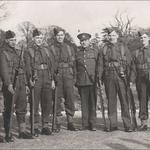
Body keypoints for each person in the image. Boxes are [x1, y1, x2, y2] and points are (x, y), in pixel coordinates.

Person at [0, 30, 32, 142]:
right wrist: (8, 84)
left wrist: (27, 84)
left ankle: (22, 131)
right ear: (6, 40)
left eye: (15, 40)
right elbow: (3, 70)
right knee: (9, 108)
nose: (14, 42)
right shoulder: (3, 53)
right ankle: (8, 134)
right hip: (11, 84)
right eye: (11, 40)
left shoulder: (19, 52)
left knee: (22, 107)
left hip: (21, 83)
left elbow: (23, 67)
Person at [102, 27, 134, 132]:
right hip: (109, 76)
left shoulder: (123, 47)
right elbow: (100, 64)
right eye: (110, 35)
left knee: (124, 101)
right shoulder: (105, 48)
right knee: (111, 101)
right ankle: (113, 124)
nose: (112, 37)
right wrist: (99, 77)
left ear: (117, 36)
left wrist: (129, 77)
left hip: (121, 77)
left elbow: (130, 63)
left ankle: (128, 125)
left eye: (114, 35)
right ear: (108, 37)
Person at [24, 29, 55, 136]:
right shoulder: (29, 50)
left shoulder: (47, 50)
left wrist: (53, 80)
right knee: (35, 102)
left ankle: (45, 125)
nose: (39, 40)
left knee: (47, 102)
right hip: (36, 77)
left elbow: (52, 65)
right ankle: (35, 126)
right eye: (37, 38)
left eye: (41, 38)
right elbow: (27, 66)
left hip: (47, 76)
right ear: (33, 38)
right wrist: (29, 80)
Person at [50, 27, 77, 132]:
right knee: (57, 98)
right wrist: (52, 78)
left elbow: (74, 64)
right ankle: (57, 122)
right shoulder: (51, 48)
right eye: (58, 35)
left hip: (68, 75)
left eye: (61, 35)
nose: (60, 37)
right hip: (57, 75)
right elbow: (50, 65)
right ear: (55, 36)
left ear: (64, 36)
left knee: (70, 98)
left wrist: (74, 77)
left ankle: (70, 122)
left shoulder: (70, 48)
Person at [76, 32, 103, 131]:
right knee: (84, 103)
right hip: (82, 81)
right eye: (82, 41)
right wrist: (76, 80)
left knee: (92, 103)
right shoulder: (77, 52)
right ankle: (84, 124)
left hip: (92, 80)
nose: (84, 42)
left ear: (89, 41)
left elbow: (99, 65)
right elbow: (75, 67)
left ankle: (93, 124)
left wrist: (99, 76)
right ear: (80, 42)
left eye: (85, 40)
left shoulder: (95, 51)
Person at [133, 31, 150, 131]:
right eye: (141, 38)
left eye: (144, 37)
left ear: (148, 38)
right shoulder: (136, 52)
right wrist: (132, 79)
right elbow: (133, 67)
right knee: (142, 100)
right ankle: (143, 123)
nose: (142, 39)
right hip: (140, 79)